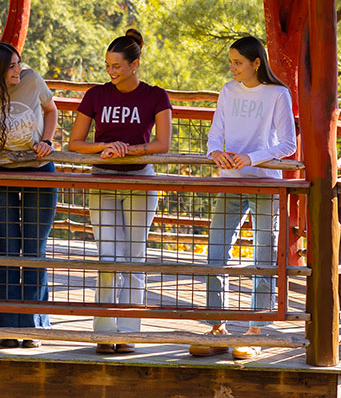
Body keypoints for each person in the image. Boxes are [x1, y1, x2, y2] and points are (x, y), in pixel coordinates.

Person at [191, 36, 296, 361]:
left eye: (238, 62)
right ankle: (216, 326)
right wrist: (216, 153)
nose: (232, 68)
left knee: (263, 254)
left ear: (256, 63)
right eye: (231, 62)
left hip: (265, 183)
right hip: (230, 181)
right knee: (216, 250)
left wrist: (252, 159)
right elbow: (215, 133)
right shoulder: (227, 91)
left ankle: (256, 329)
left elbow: (288, 145)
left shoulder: (278, 94)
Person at [67, 29, 172, 354]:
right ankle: (104, 331)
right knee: (109, 257)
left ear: (135, 64)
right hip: (103, 180)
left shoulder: (155, 96)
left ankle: (128, 332)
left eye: (117, 66)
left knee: (134, 258)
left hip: (141, 181)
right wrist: (104, 147)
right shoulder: (95, 95)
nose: (110, 72)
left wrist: (131, 151)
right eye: (108, 65)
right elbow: (75, 143)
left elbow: (163, 144)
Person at [0, 43, 59, 348]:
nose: (19, 69)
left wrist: (47, 140)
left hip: (39, 169)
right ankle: (5, 326)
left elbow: (51, 109)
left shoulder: (32, 80)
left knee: (33, 247)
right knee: (6, 248)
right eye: (12, 66)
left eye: (19, 63)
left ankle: (34, 326)